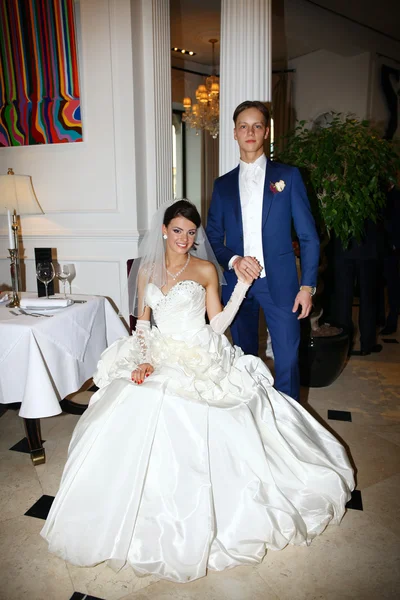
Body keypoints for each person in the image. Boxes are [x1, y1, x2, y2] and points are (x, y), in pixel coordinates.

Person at [41, 200, 354, 584]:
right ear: (163, 230)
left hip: (198, 350)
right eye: (177, 230)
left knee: (197, 406)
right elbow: (141, 323)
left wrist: (241, 287)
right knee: (129, 398)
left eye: (191, 233)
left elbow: (218, 321)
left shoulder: (205, 269)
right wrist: (143, 359)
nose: (184, 239)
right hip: (156, 351)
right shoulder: (148, 270)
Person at [206, 101, 320, 402]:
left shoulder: (289, 176)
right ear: (234, 133)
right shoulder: (222, 185)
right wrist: (234, 260)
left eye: (257, 125)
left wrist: (307, 286)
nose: (250, 132)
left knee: (288, 361)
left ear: (266, 132)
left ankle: (288, 425)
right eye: (243, 126)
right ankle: (251, 418)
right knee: (244, 360)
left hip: (280, 284)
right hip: (238, 286)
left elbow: (309, 237)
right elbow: (213, 237)